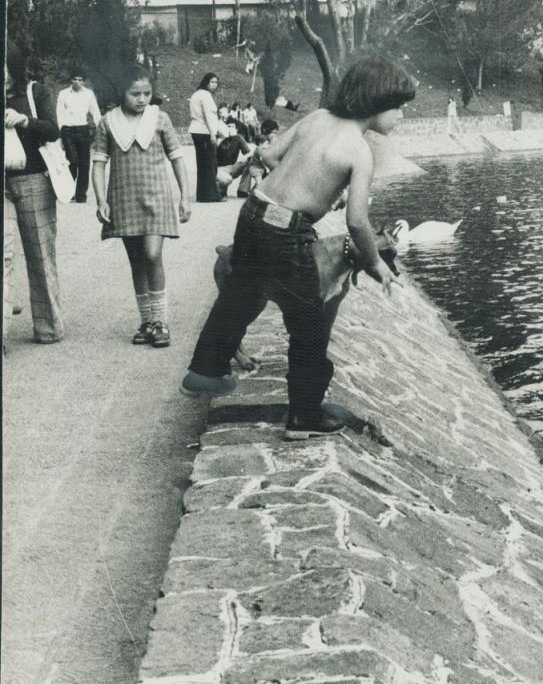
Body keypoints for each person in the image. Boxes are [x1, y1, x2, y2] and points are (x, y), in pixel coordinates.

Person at [181, 55, 413, 439]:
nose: (402, 116)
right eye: (399, 107)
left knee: (240, 294)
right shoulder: (359, 151)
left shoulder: (318, 118)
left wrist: (301, 180)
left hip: (254, 212)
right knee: (310, 325)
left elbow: (269, 155)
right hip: (288, 233)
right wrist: (375, 264)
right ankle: (305, 416)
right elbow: (357, 221)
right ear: (376, 103)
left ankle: (203, 372)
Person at [91, 67, 193, 347]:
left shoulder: (160, 119)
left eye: (147, 93)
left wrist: (185, 196)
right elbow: (98, 163)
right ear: (121, 93)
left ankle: (161, 321)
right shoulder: (107, 122)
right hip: (123, 198)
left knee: (151, 254)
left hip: (157, 196)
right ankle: (147, 321)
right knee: (136, 260)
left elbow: (177, 158)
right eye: (135, 94)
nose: (142, 99)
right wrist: (101, 199)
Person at [5, 62, 64, 346]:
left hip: (33, 180)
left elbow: (53, 130)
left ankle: (48, 327)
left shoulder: (35, 92)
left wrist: (24, 120)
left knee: (40, 254)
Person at [55, 69, 102, 203]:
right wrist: (60, 133)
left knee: (84, 164)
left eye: (80, 80)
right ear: (71, 80)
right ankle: (69, 193)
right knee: (72, 161)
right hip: (68, 130)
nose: (77, 82)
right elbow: (59, 113)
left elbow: (95, 113)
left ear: (84, 81)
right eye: (75, 79)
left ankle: (81, 195)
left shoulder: (89, 94)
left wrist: (101, 129)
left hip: (83, 130)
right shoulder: (63, 94)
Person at [188, 72, 226, 202]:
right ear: (206, 82)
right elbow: (209, 116)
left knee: (202, 164)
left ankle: (202, 194)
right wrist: (213, 135)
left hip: (196, 131)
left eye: (216, 82)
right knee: (210, 164)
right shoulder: (205, 96)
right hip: (204, 132)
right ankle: (211, 195)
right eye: (212, 82)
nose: (214, 85)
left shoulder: (196, 94)